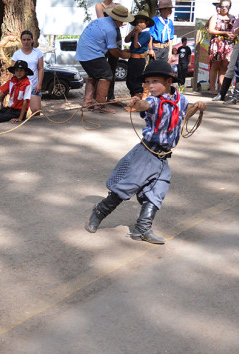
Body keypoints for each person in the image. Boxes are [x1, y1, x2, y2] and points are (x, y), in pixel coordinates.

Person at [85, 59, 206, 245]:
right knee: (124, 187)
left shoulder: (181, 100)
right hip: (146, 153)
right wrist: (137, 103)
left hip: (163, 157)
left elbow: (183, 114)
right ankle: (99, 212)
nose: (150, 85)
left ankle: (142, 229)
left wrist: (196, 108)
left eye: (155, 81)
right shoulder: (152, 101)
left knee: (157, 191)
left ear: (168, 82)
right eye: (147, 82)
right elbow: (145, 106)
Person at [75, 4, 133, 114]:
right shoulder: (111, 29)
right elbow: (113, 51)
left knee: (94, 75)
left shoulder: (101, 21)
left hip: (83, 53)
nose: (122, 23)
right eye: (121, 21)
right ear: (117, 19)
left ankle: (87, 102)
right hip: (92, 54)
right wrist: (123, 54)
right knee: (106, 75)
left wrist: (121, 52)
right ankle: (100, 105)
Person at [95, 0, 122, 102]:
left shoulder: (118, 5)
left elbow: (122, 20)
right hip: (103, 38)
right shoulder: (99, 6)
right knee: (101, 67)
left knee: (113, 67)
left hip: (116, 38)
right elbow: (102, 23)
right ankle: (98, 96)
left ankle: (110, 95)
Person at [207, 0, 235, 95]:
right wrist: (224, 33)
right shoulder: (215, 17)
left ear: (229, 7)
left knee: (225, 66)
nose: (224, 8)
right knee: (215, 66)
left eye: (226, 6)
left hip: (228, 44)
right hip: (217, 43)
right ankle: (212, 88)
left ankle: (221, 88)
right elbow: (210, 30)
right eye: (222, 6)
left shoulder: (233, 17)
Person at [11, 31, 44, 115]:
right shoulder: (17, 54)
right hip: (20, 86)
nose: (26, 42)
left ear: (32, 40)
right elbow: (13, 71)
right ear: (21, 40)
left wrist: (39, 84)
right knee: (19, 112)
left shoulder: (38, 53)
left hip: (33, 85)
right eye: (24, 39)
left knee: (36, 111)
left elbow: (40, 69)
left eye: (28, 39)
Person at [124, 11, 155, 98]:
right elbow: (126, 40)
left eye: (141, 22)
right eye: (137, 22)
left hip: (139, 60)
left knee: (136, 81)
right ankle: (133, 100)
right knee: (130, 81)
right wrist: (133, 31)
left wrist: (137, 33)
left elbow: (136, 45)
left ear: (147, 23)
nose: (138, 24)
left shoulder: (146, 34)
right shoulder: (136, 32)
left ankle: (138, 102)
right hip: (132, 59)